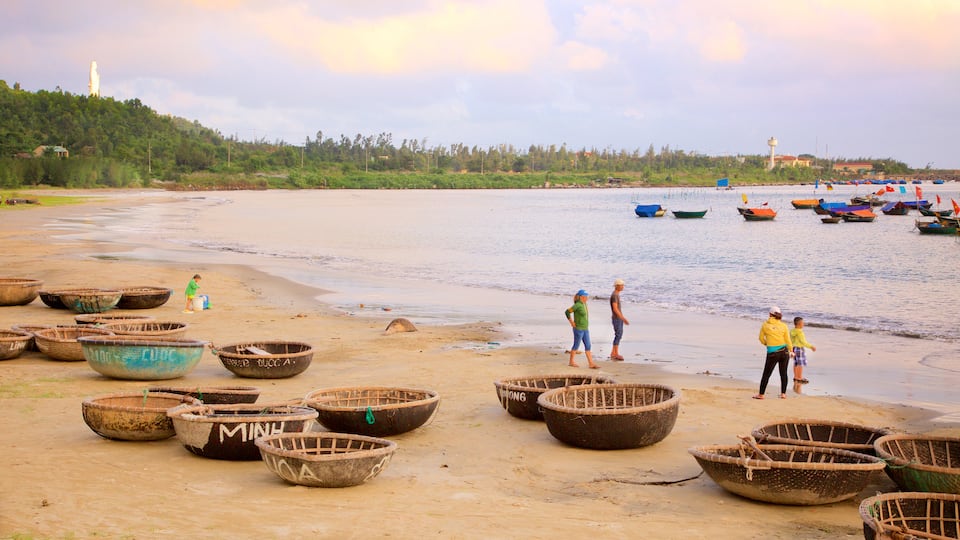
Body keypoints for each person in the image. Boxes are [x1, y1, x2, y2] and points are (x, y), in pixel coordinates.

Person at [754, 306, 793, 399]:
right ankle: (783, 394)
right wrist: (791, 350)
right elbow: (788, 340)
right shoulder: (784, 325)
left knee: (766, 374)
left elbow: (760, 338)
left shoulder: (765, 325)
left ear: (769, 314)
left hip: (772, 353)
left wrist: (767, 344)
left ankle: (761, 394)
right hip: (784, 352)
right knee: (783, 373)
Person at [565, 289, 599, 369]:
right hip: (578, 329)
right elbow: (567, 312)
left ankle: (591, 363)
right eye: (585, 296)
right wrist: (571, 322)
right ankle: (571, 362)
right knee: (576, 345)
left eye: (587, 296)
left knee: (588, 345)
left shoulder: (584, 304)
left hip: (585, 329)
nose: (587, 298)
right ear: (581, 297)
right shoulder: (577, 305)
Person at [790, 316, 816, 384]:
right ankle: (799, 377)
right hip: (799, 349)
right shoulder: (800, 332)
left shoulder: (792, 331)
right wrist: (811, 346)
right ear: (799, 324)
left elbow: (790, 340)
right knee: (800, 364)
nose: (803, 324)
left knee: (795, 363)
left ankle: (796, 377)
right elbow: (803, 342)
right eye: (802, 323)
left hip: (794, 348)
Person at [609, 278, 630, 361]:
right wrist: (622, 318)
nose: (623, 287)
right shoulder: (614, 295)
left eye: (623, 285)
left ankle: (613, 353)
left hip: (617, 318)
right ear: (617, 286)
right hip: (617, 318)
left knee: (618, 335)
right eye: (621, 285)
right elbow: (615, 308)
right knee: (618, 335)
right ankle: (615, 353)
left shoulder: (616, 294)